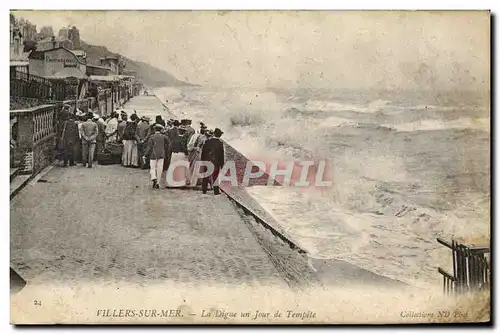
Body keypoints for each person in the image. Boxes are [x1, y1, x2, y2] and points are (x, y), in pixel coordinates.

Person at [144, 124, 171, 189]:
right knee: (160, 169)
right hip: (162, 154)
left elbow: (149, 147)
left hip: (153, 154)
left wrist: (145, 154)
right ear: (161, 129)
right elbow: (169, 143)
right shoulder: (164, 136)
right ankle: (158, 183)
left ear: (154, 129)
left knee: (152, 168)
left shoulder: (152, 136)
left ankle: (154, 177)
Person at [201, 128, 224, 195]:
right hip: (216, 162)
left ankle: (204, 190)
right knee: (215, 177)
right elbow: (221, 155)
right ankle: (216, 191)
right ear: (219, 135)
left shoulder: (208, 141)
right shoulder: (220, 143)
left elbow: (203, 152)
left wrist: (203, 161)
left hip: (207, 161)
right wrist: (222, 164)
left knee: (206, 176)